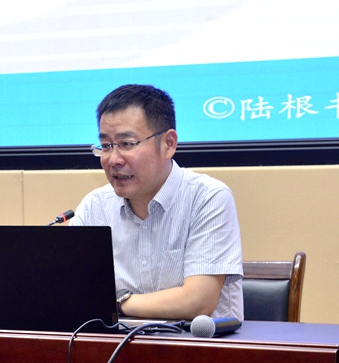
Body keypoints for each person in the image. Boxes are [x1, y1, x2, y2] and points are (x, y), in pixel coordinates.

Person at [70, 84, 243, 321]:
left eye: (127, 144)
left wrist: (115, 302)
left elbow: (197, 301)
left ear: (168, 143)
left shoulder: (208, 198)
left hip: (194, 344)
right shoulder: (94, 207)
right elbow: (73, 292)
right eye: (106, 146)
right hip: (115, 344)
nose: (113, 159)